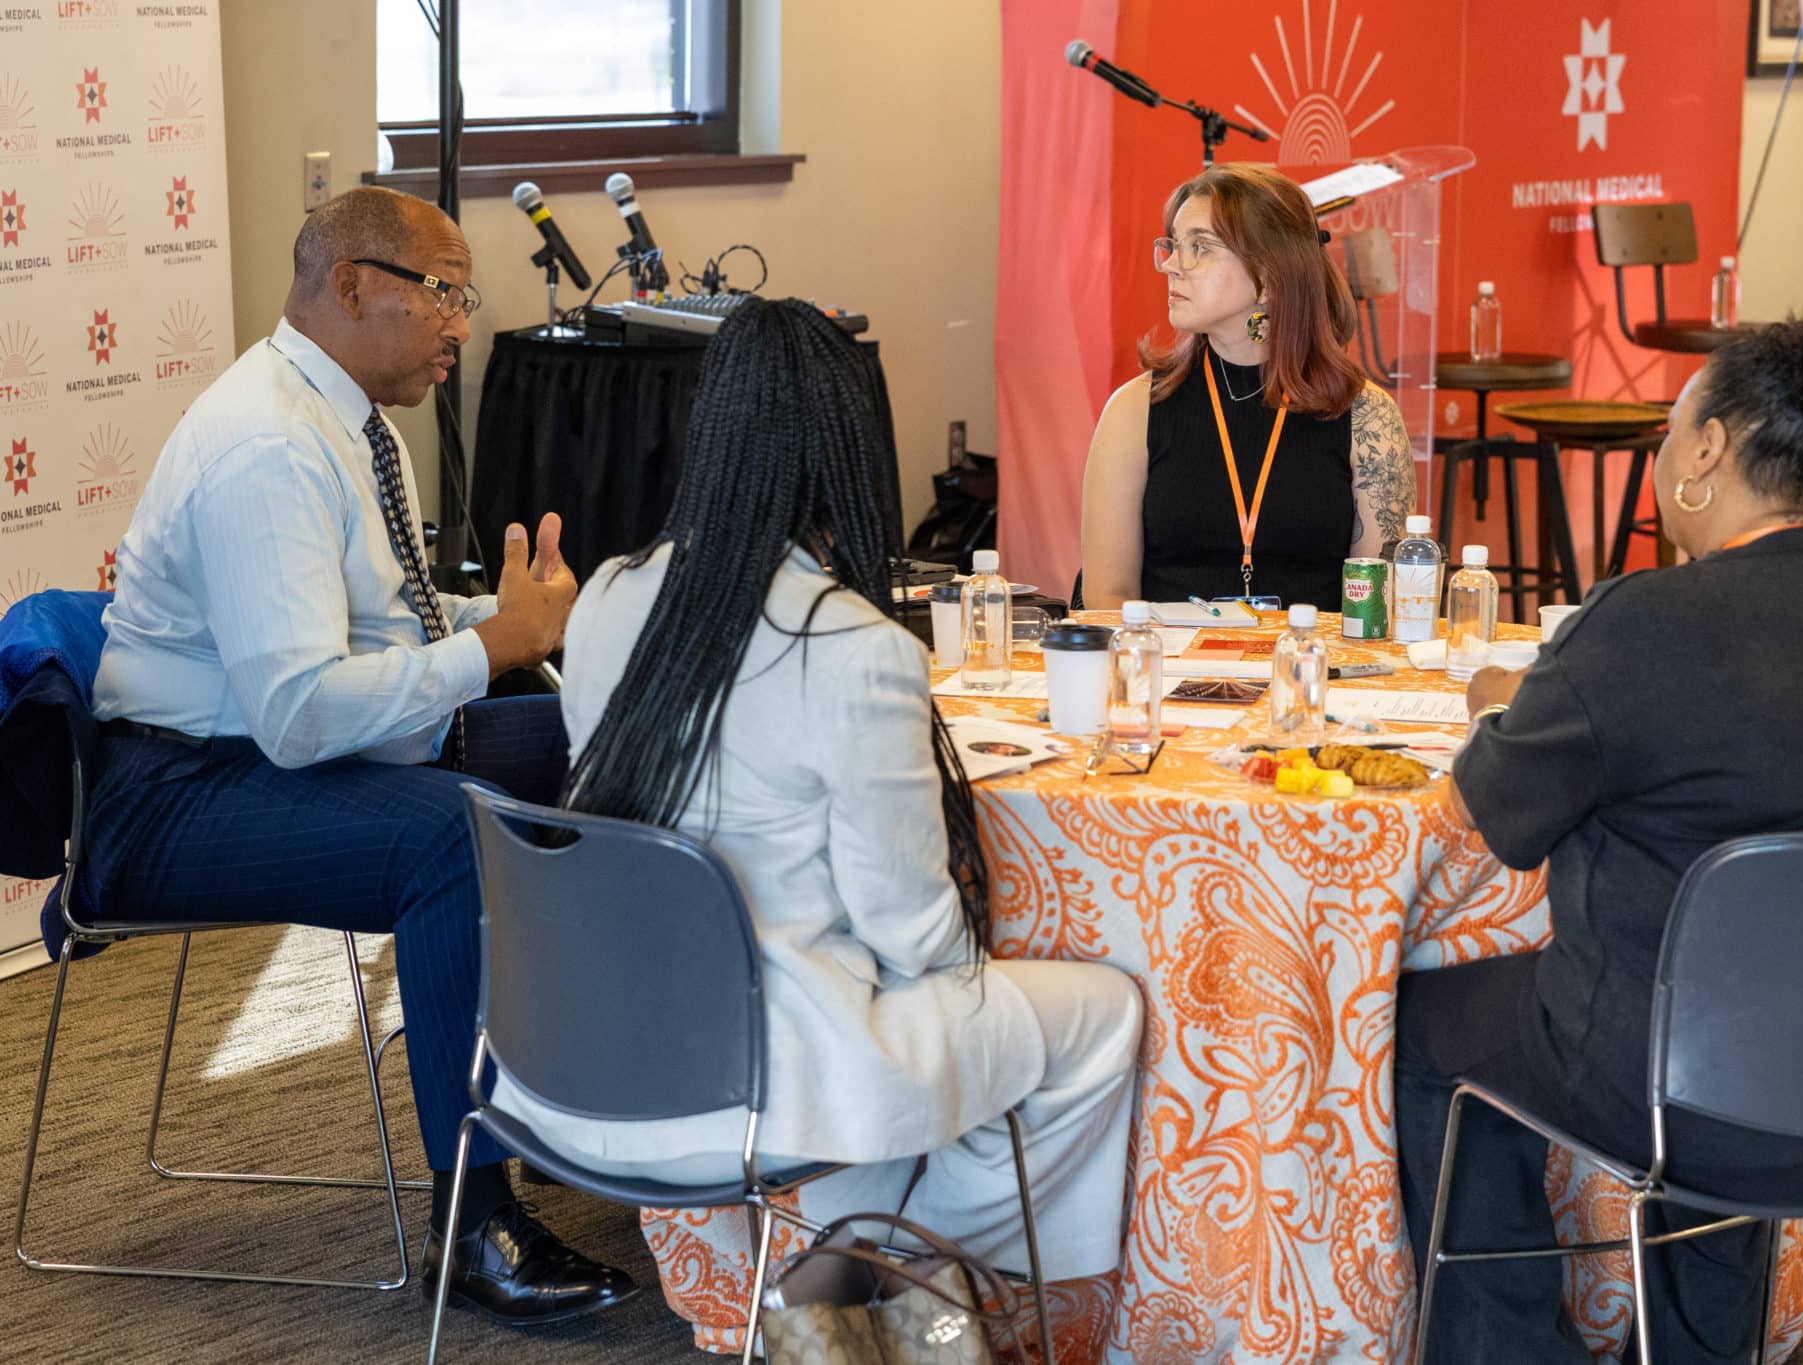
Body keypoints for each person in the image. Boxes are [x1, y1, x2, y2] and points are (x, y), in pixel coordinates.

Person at [491, 298, 1144, 1287]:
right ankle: (869, 1269)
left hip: (578, 1054)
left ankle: (860, 1264)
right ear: (849, 452)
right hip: (761, 1078)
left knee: (922, 1020)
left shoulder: (612, 595)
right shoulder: (854, 648)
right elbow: (906, 926)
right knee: (1101, 1009)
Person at [88, 188, 636, 1324]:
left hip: (262, 755)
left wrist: (516, 617)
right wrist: (495, 647)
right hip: (173, 794)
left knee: (609, 744)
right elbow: (296, 714)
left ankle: (594, 1112)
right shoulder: (266, 446)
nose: (462, 324)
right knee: (450, 836)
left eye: (463, 295)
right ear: (351, 286)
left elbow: (386, 630)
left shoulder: (351, 418)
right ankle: (472, 1225)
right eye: (442, 292)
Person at [1395, 307, 1803, 1364]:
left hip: (1679, 1086)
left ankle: (1501, 1349)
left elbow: (1491, 816)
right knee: (1741, 1000)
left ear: (1706, 448)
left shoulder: (1643, 621)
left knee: (1426, 1021)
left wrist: (1506, 701)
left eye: (1670, 431)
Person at [1079, 162, 1412, 612]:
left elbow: (1380, 609)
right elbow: (1106, 600)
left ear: (1269, 279)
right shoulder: (1135, 409)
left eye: (1201, 247)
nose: (1173, 266)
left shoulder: (1367, 416)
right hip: (1169, 674)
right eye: (1175, 245)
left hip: (1314, 671)